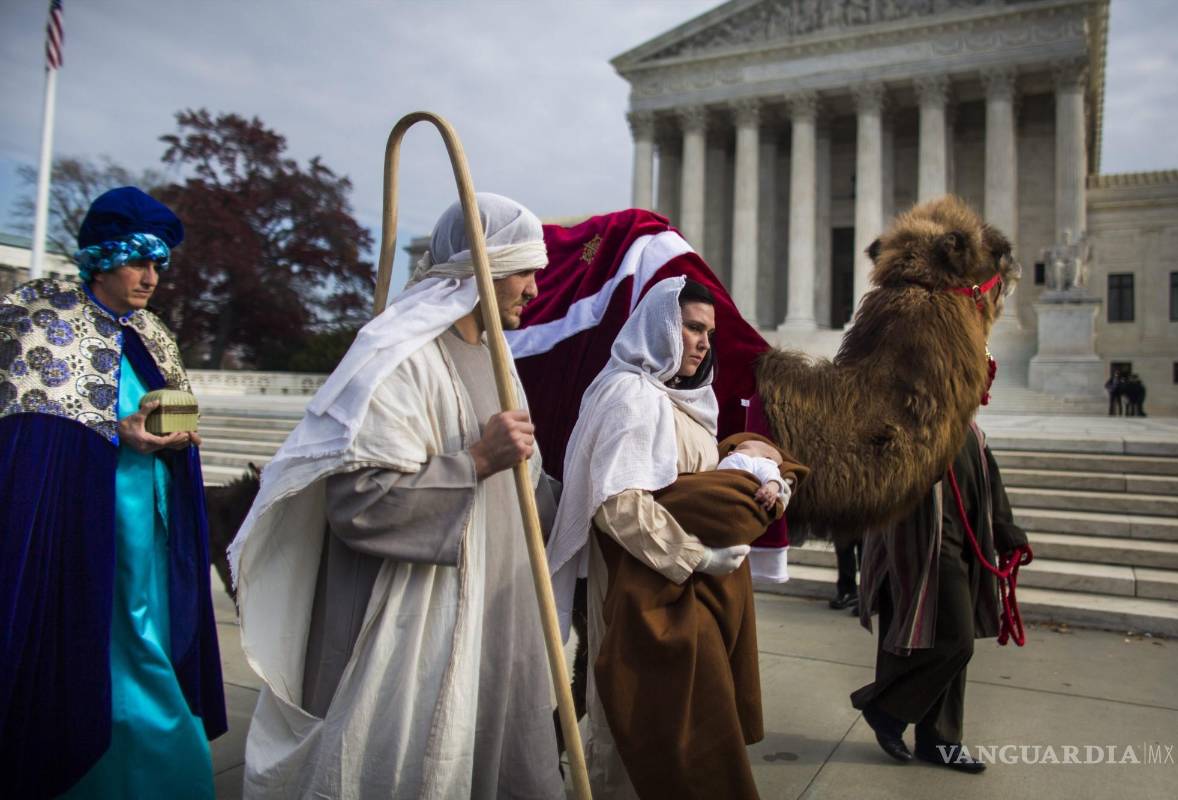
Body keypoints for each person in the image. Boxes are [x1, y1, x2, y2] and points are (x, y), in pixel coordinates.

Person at [228, 193, 564, 799]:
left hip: (491, 605)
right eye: (526, 271)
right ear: (481, 271)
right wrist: (477, 461)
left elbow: (526, 487)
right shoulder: (399, 358)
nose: (537, 288)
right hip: (414, 622)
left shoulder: (498, 360)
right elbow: (360, 503)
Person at [0, 186, 227, 798]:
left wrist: (177, 440)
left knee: (144, 633)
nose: (152, 277)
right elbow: (29, 451)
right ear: (102, 258)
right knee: (108, 639)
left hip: (152, 520)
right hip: (86, 521)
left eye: (159, 264)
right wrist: (114, 437)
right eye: (139, 262)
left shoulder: (152, 333)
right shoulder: (44, 325)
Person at [547, 277, 768, 799]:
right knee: (633, 723)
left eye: (708, 333)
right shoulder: (632, 394)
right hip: (639, 585)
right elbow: (617, 504)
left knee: (680, 721)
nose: (702, 343)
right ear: (661, 325)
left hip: (678, 589)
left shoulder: (683, 398)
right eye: (692, 327)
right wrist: (696, 555)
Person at [851, 422, 1030, 774]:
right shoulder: (897, 413)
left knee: (948, 646)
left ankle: (940, 740)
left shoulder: (970, 429)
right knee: (952, 641)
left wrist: (1008, 532)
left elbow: (990, 481)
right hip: (915, 543)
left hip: (966, 542)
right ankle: (886, 710)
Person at [716, 438, 792, 511]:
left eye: (743, 448)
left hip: (734, 488)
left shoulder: (766, 463)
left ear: (768, 458)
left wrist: (771, 488)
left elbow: (774, 478)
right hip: (723, 481)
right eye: (742, 448)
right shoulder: (735, 457)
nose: (730, 452)